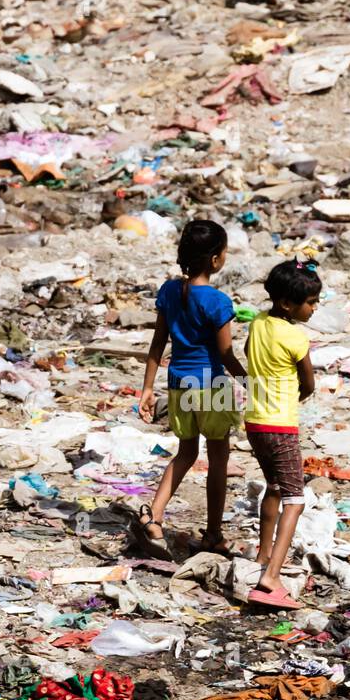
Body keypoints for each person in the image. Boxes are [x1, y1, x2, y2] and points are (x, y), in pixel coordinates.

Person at [134, 220, 247, 559]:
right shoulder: (217, 301)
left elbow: (157, 344)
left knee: (185, 453)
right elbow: (226, 354)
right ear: (215, 259)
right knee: (218, 460)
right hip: (213, 385)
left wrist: (147, 389)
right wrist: (249, 384)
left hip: (178, 384)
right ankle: (213, 533)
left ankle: (153, 516)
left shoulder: (169, 291)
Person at [243, 259, 320, 608]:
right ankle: (270, 578)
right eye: (310, 302)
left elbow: (246, 354)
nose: (314, 308)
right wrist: (298, 394)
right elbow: (309, 381)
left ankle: (263, 554)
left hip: (255, 422)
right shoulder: (294, 335)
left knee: (273, 485)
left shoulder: (258, 323)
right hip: (280, 425)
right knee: (295, 498)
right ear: (288, 304)